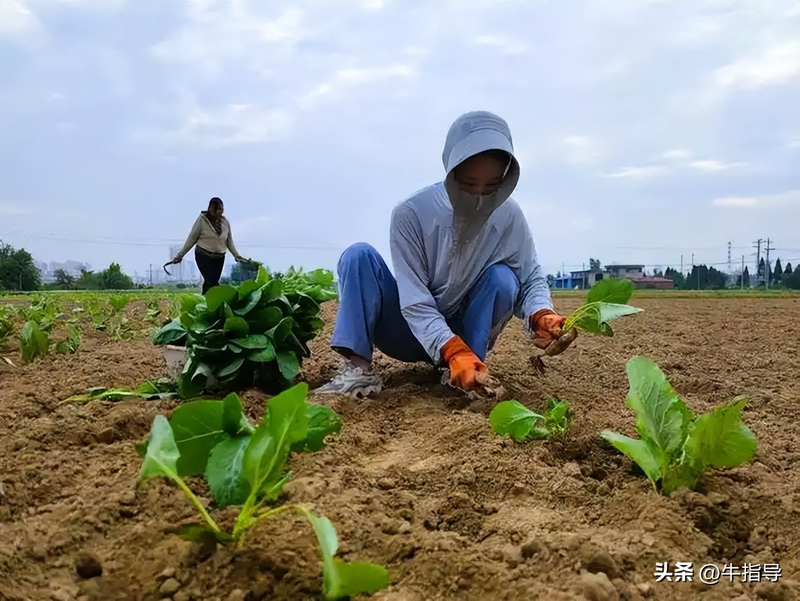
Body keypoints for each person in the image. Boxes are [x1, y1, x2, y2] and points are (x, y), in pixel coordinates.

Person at [315, 110, 576, 399]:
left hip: (466, 333)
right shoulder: (412, 214)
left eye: (491, 188)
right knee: (358, 256)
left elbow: (530, 277)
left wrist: (541, 314)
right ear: (451, 171)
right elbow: (414, 300)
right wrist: (450, 348)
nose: (478, 199)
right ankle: (358, 371)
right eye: (468, 185)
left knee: (503, 278)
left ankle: (470, 371)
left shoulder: (508, 215)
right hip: (405, 331)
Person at [172, 197, 246, 294]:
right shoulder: (202, 220)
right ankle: (215, 299)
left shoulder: (225, 222)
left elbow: (229, 240)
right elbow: (192, 238)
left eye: (222, 209)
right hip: (204, 255)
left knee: (211, 281)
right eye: (219, 209)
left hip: (219, 257)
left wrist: (236, 255)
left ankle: (205, 299)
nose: (221, 211)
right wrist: (181, 255)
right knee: (212, 281)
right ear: (212, 209)